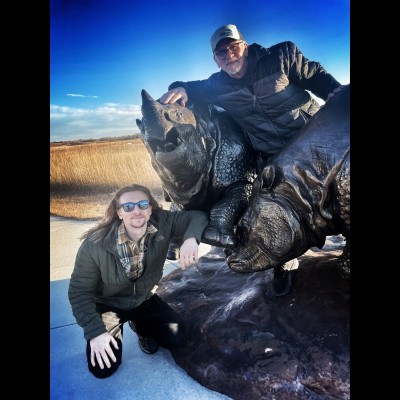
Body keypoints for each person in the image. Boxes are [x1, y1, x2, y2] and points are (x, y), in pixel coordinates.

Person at [160, 24, 345, 297]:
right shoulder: (217, 85)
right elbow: (192, 88)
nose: (228, 56)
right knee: (271, 211)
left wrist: (335, 91)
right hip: (273, 156)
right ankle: (284, 261)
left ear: (244, 45)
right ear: (215, 59)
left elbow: (314, 74)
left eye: (233, 47)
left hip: (311, 139)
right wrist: (180, 88)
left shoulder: (281, 55)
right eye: (221, 53)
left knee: (342, 193)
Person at [68, 184, 209, 379]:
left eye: (143, 204)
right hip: (109, 306)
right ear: (119, 212)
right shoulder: (95, 245)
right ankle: (118, 329)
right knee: (102, 369)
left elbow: (198, 216)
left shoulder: (163, 222)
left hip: (143, 300)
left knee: (178, 337)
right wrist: (95, 332)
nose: (136, 211)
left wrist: (191, 239)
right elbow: (79, 292)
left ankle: (141, 327)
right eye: (128, 207)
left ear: (151, 208)